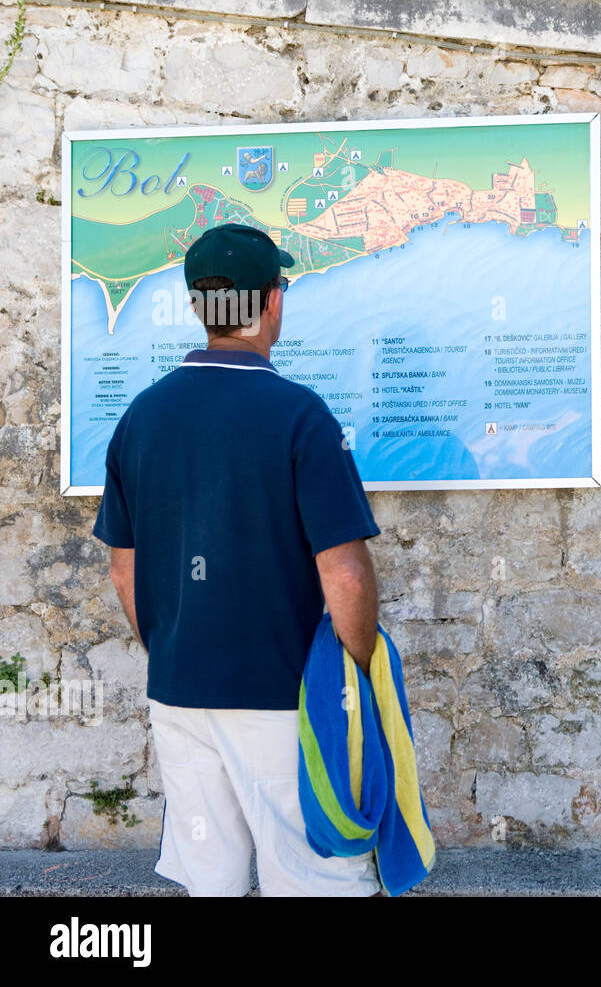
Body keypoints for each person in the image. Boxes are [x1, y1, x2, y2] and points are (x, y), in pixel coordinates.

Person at [92, 223, 384, 897]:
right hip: (283, 696)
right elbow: (344, 571)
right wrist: (360, 667)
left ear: (199, 307)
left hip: (179, 694)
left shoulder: (140, 416)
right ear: (273, 302)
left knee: (211, 876)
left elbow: (123, 569)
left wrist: (173, 649)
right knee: (315, 878)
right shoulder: (301, 417)